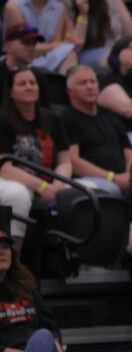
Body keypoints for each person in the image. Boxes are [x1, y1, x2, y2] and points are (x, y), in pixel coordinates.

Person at [0, 67, 71, 250]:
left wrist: (58, 183)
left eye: (32, 83)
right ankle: (13, 258)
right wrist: (41, 186)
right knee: (18, 195)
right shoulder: (3, 120)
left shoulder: (52, 117)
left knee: (85, 191)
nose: (29, 87)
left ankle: (73, 258)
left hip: (49, 183)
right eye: (22, 84)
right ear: (11, 92)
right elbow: (4, 167)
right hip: (11, 179)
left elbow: (65, 160)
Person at [0, 231, 63, 352]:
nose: (2, 251)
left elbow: (50, 325)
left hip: (36, 350)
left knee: (43, 336)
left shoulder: (25, 286)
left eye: (6, 247)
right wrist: (2, 351)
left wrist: (55, 340)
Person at [62, 65, 132, 197]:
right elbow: (73, 161)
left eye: (93, 82)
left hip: (122, 178)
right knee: (111, 189)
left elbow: (130, 153)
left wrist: (130, 175)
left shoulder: (112, 117)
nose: (89, 86)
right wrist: (112, 178)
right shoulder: (66, 119)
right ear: (69, 91)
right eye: (82, 83)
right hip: (90, 181)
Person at [2, 0, 78, 73]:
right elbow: (23, 46)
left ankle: (62, 87)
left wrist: (61, 44)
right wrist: (60, 44)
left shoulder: (59, 7)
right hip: (19, 58)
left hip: (45, 58)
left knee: (70, 53)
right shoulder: (14, 6)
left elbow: (56, 44)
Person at [63, 0, 132, 66]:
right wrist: (83, 13)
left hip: (112, 49)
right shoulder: (68, 4)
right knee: (112, 57)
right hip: (83, 54)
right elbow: (76, 43)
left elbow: (131, 33)